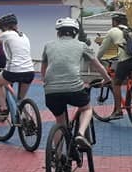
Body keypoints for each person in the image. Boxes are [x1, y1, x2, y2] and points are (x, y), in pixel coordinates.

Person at [40, 17, 112, 151]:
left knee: (60, 122)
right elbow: (98, 66)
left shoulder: (48, 45)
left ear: (58, 33)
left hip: (51, 91)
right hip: (74, 89)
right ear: (75, 33)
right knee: (86, 108)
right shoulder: (81, 45)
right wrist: (107, 79)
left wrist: (46, 81)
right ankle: (80, 134)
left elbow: (43, 69)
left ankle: (58, 157)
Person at [96, 12, 132, 120]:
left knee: (115, 83)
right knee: (129, 75)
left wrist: (96, 59)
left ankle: (118, 111)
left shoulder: (113, 31)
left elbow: (102, 49)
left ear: (115, 21)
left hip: (126, 61)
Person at [0, 13, 35, 119]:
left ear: (5, 26)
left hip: (13, 70)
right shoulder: (23, 35)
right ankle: (30, 120)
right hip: (30, 71)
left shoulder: (6, 34)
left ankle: (3, 109)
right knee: (21, 99)